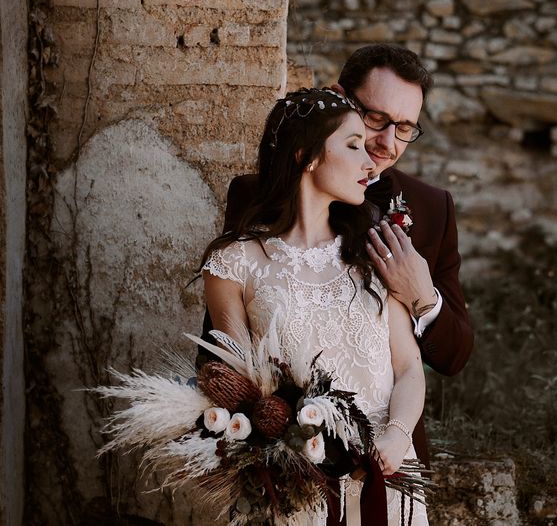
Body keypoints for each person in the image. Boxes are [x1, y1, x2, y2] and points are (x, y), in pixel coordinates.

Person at [209, 44, 474, 468]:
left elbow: (455, 356)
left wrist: (423, 296)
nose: (387, 144)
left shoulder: (431, 208)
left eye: (405, 127)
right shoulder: (254, 197)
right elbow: (226, 348)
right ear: (341, 99)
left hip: (383, 463)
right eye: (377, 120)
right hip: (288, 460)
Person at [201, 87, 428, 524]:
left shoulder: (375, 252)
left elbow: (409, 368)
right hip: (295, 493)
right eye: (353, 145)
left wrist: (397, 438)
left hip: (388, 479)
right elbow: (240, 392)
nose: (370, 161)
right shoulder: (234, 264)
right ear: (307, 156)